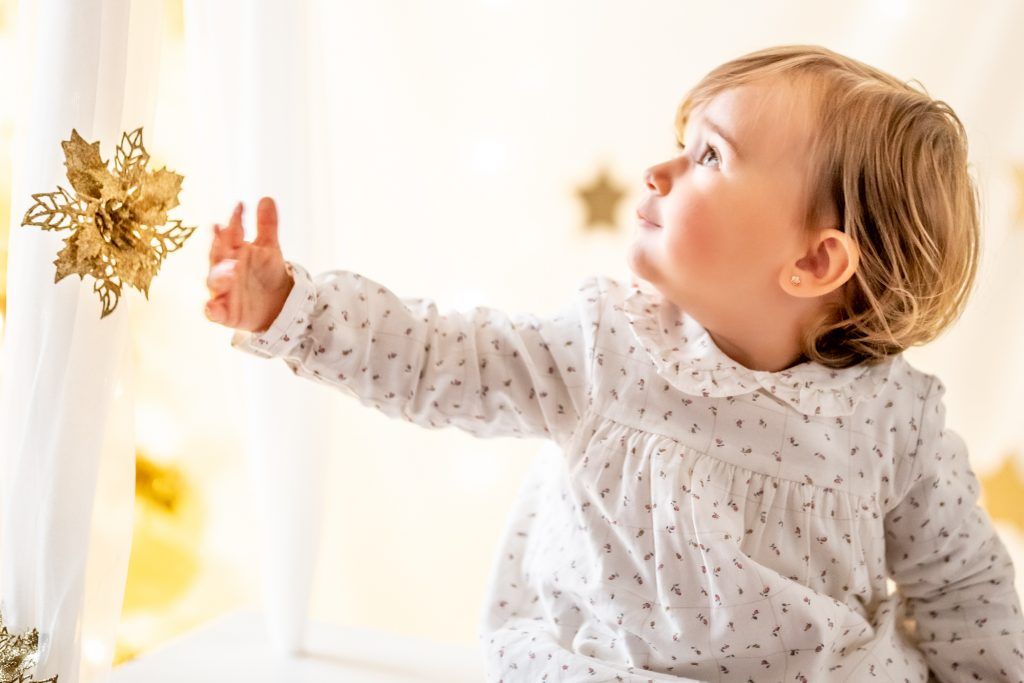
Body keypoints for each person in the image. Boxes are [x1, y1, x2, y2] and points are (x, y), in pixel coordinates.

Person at [204, 44, 1024, 682]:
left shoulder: (893, 424)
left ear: (813, 263)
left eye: (709, 156)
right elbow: (442, 358)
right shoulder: (606, 349)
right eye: (682, 144)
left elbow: (965, 590)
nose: (657, 171)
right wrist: (293, 309)